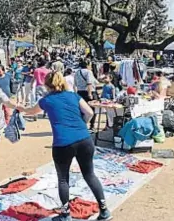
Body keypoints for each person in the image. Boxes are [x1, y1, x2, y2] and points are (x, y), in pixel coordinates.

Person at [20, 72, 112, 221]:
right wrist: (83, 124)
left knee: (63, 179)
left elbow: (31, 111)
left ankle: (65, 214)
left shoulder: (46, 100)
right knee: (89, 174)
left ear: (47, 85)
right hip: (84, 139)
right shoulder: (74, 96)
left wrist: (20, 109)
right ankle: (104, 210)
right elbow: (89, 112)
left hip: (63, 143)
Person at [74, 60, 98, 131]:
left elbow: (75, 84)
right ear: (87, 65)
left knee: (81, 110)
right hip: (88, 92)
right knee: (92, 109)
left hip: (80, 92)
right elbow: (89, 83)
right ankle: (92, 125)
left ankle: (81, 125)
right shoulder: (88, 72)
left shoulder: (77, 72)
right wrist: (90, 94)